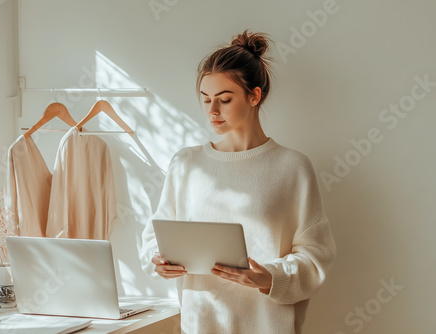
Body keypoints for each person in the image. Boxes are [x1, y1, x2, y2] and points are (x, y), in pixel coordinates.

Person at [140, 29, 336, 334]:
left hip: (269, 325)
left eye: (225, 99)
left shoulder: (292, 167)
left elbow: (316, 255)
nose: (212, 111)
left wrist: (269, 277)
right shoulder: (186, 164)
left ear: (254, 96)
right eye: (206, 100)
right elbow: (155, 234)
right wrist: (158, 259)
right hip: (201, 325)